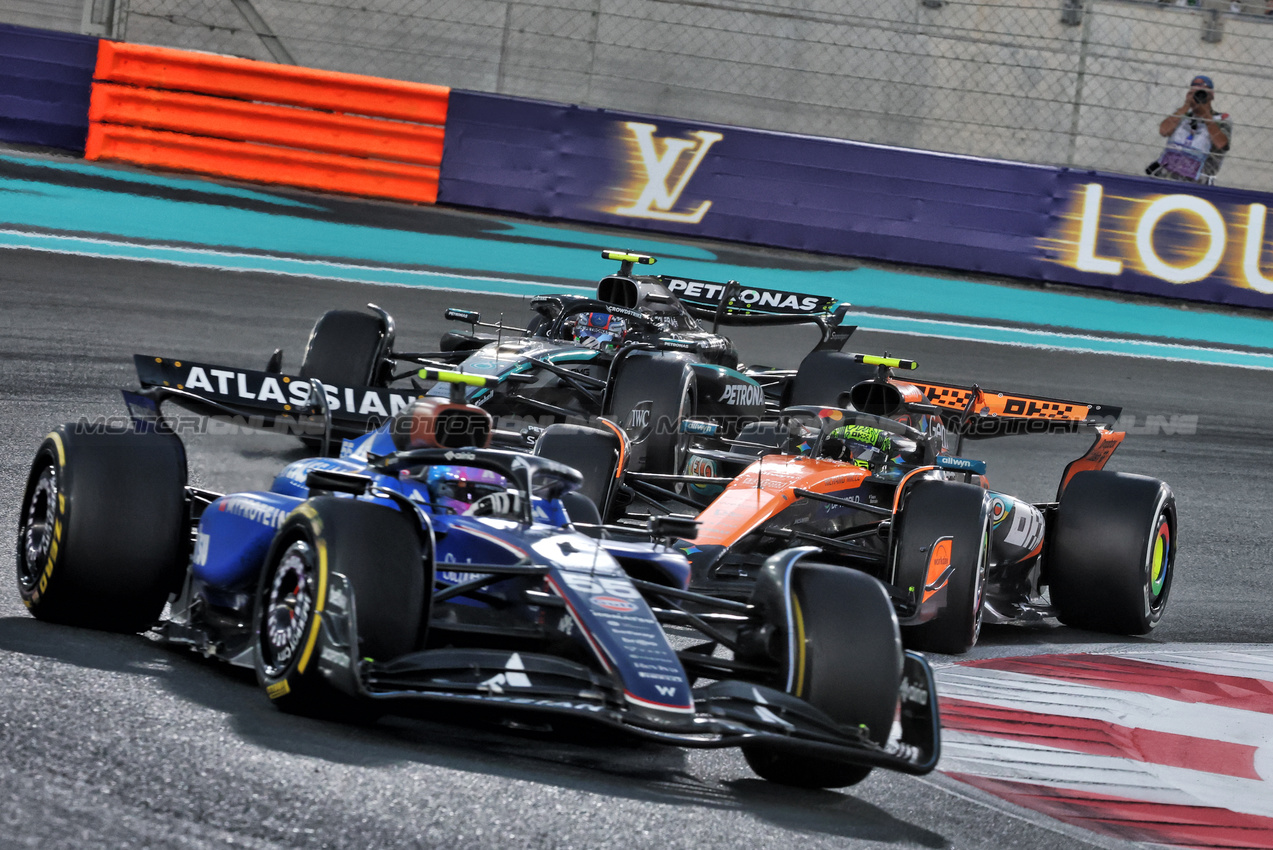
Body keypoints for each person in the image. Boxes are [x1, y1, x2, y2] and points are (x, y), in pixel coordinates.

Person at [1148, 75, 1232, 185]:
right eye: (1195, 92)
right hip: (1166, 177)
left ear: (1211, 96)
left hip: (1198, 182)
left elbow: (1222, 144)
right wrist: (1186, 106)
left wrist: (1206, 115)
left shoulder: (1221, 119)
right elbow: (1164, 131)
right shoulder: (1182, 115)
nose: (1199, 97)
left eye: (1202, 93)